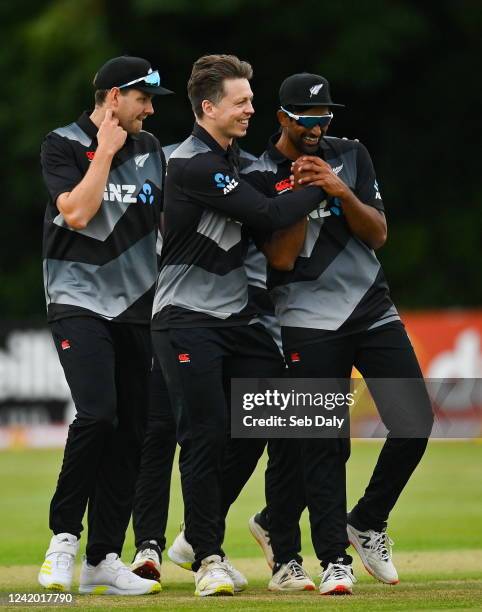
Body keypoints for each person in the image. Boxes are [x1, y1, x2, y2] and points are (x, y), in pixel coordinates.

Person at [242, 72, 434, 594]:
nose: (316, 125)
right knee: (325, 442)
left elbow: (378, 232)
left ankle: (367, 520)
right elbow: (279, 259)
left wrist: (338, 187)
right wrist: (304, 195)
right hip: (306, 320)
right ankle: (333, 560)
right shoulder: (258, 173)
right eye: (305, 118)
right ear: (281, 118)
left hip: (371, 308)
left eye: (324, 114)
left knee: (415, 423)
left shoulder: (350, 154)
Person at [151, 54, 328, 597]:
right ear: (208, 107)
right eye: (242, 100)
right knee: (203, 434)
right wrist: (331, 183)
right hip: (185, 319)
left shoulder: (242, 161)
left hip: (238, 320)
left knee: (276, 420)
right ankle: (209, 558)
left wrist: (301, 186)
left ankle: (194, 536)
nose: (253, 107)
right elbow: (272, 215)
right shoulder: (190, 164)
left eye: (252, 98)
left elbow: (276, 232)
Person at [38, 55, 173, 596]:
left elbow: (167, 220)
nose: (149, 110)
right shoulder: (63, 144)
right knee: (97, 415)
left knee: (133, 431)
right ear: (113, 96)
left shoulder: (153, 150)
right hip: (77, 299)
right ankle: (64, 540)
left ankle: (102, 557)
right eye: (143, 99)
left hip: (139, 307)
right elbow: (76, 212)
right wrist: (107, 152)